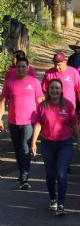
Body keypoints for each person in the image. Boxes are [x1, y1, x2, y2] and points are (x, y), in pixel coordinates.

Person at [31, 79, 80, 216]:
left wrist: (78, 142)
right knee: (50, 175)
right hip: (48, 144)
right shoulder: (43, 106)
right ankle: (52, 198)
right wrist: (33, 142)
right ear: (48, 90)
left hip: (64, 144)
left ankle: (61, 204)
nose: (54, 90)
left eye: (57, 88)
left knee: (61, 174)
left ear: (61, 90)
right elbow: (38, 124)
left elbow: (75, 125)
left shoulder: (68, 105)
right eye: (52, 88)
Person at [0, 57, 44, 189]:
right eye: (18, 66)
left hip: (29, 122)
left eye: (23, 66)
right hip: (13, 121)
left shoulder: (35, 82)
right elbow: (2, 102)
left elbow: (40, 103)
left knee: (25, 148)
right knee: (18, 149)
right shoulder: (10, 83)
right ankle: (21, 173)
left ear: (28, 67)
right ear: (15, 68)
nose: (20, 69)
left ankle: (24, 178)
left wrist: (42, 121)